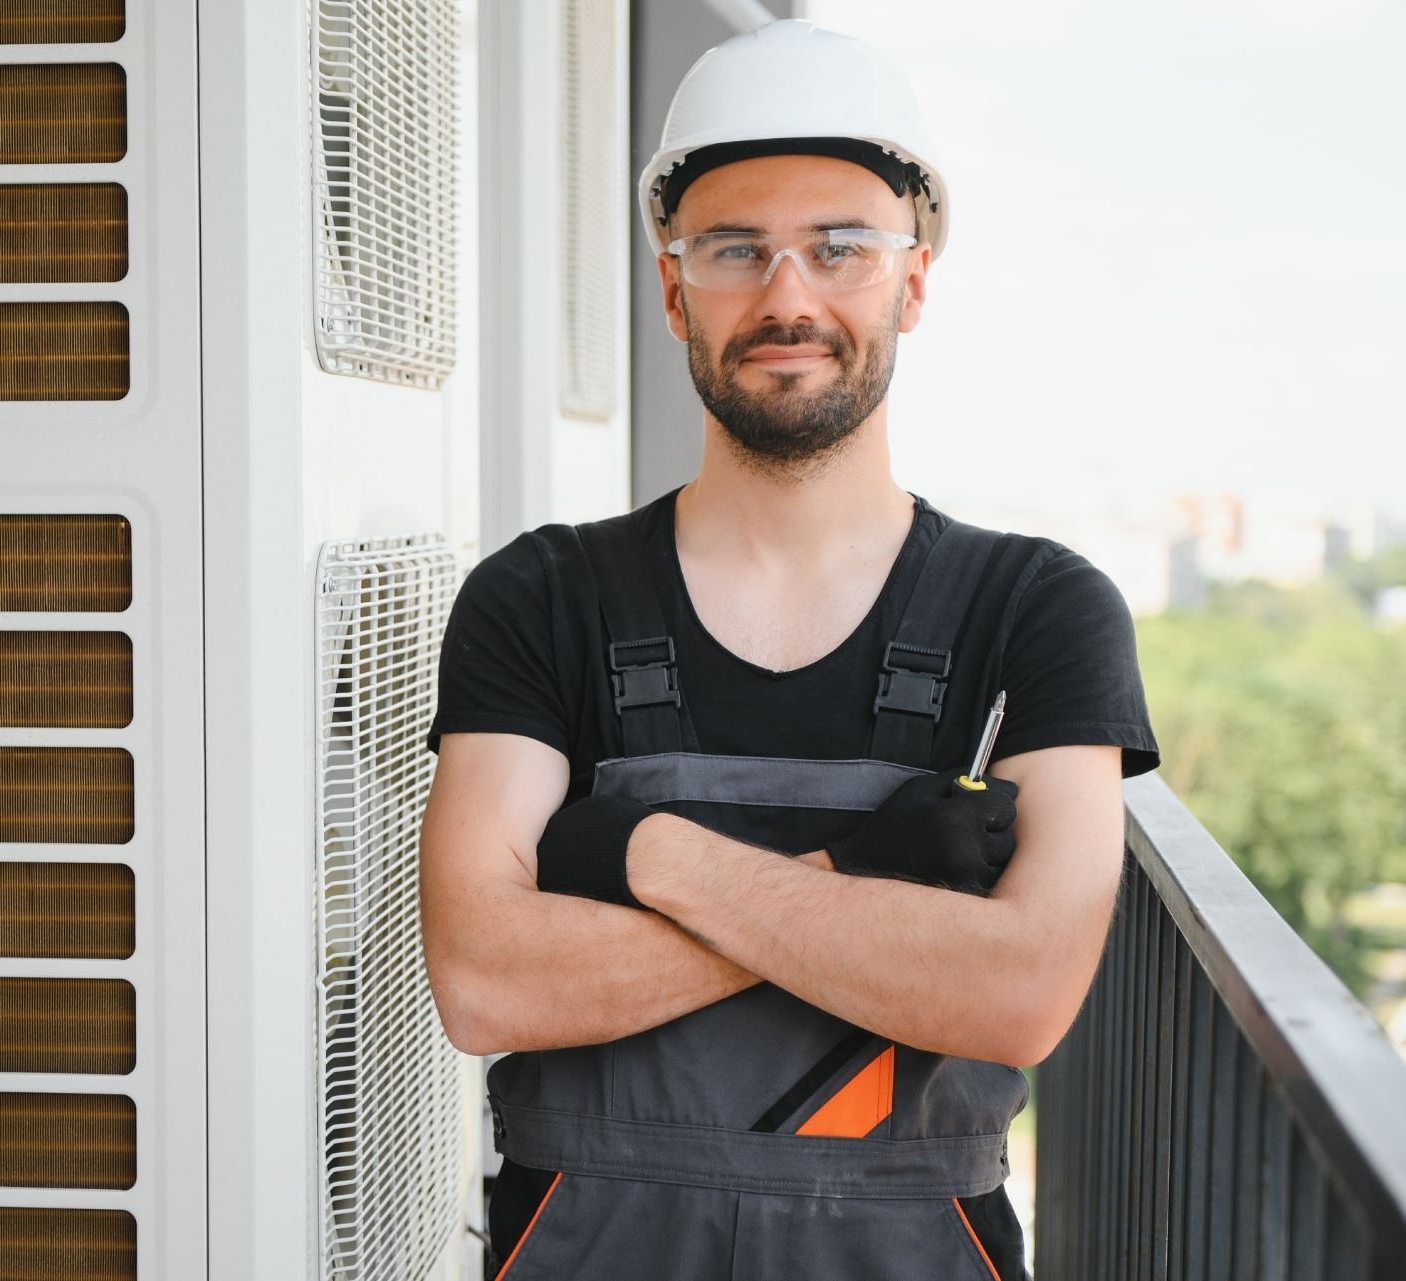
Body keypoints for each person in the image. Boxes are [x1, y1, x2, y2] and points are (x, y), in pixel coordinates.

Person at [418, 18, 1160, 1281]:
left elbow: (1020, 995)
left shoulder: (1037, 608)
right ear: (671, 290)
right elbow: (486, 980)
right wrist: (866, 874)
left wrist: (645, 856)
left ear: (912, 280)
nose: (788, 297)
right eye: (734, 251)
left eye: (840, 248)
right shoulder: (538, 595)